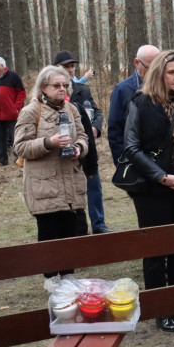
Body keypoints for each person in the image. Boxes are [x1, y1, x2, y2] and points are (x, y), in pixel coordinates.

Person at [122, 50, 174, 332]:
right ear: (159, 73)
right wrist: (162, 177)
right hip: (153, 190)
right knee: (156, 250)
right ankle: (161, 308)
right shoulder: (141, 102)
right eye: (172, 72)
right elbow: (131, 147)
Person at [13, 65, 88, 291]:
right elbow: (20, 147)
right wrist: (48, 142)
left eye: (65, 85)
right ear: (44, 88)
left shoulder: (71, 108)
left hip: (70, 181)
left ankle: (68, 275)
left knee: (70, 232)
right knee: (48, 233)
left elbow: (83, 136)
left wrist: (79, 148)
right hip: (44, 185)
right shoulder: (30, 111)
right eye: (56, 85)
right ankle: (51, 278)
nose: (62, 89)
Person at [53, 50, 110, 234]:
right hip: (62, 151)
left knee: (94, 184)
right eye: (66, 66)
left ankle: (99, 224)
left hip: (86, 148)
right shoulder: (49, 93)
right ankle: (75, 230)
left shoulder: (82, 89)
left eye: (72, 66)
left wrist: (95, 127)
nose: (70, 70)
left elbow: (96, 111)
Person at [109, 44, 160, 162]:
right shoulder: (122, 90)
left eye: (158, 67)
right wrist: (123, 162)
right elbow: (115, 131)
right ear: (137, 63)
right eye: (149, 67)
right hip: (133, 160)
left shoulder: (165, 88)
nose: (155, 72)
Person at [0, 56, 26, 166]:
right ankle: (2, 160)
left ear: (2, 66)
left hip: (12, 115)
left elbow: (22, 93)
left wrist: (16, 107)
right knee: (0, 139)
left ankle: (19, 159)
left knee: (16, 137)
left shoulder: (13, 77)